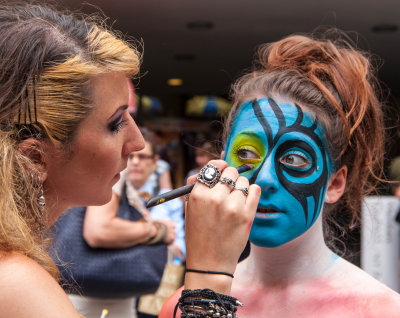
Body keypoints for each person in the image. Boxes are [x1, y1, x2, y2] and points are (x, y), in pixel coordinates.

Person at [0, 3, 257, 317]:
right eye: (116, 123)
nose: (137, 143)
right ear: (34, 158)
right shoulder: (15, 282)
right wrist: (210, 274)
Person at [160, 31, 400, 317]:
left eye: (295, 158)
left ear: (335, 184)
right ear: (222, 166)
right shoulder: (183, 305)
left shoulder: (379, 310)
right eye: (246, 154)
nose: (265, 178)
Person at [68, 127, 184, 318]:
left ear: (155, 162)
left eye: (143, 157)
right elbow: (99, 230)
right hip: (93, 296)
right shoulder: (117, 176)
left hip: (111, 294)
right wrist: (157, 230)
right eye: (130, 156)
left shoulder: (125, 184)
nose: (135, 162)